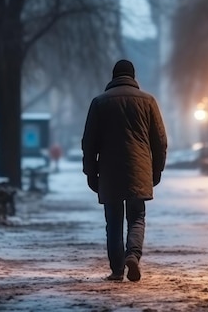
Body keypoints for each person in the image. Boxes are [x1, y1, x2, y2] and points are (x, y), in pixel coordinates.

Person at [81, 59, 167, 282]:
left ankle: (118, 269)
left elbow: (89, 142)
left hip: (109, 171)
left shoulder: (99, 102)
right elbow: (160, 141)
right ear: (133, 76)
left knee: (114, 220)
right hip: (139, 168)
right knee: (137, 216)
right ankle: (133, 255)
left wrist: (91, 173)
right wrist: (156, 170)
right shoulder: (148, 101)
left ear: (113, 76)